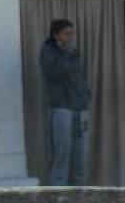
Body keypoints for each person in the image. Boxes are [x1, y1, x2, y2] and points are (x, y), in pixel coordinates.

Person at [39, 19, 91, 186]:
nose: (70, 37)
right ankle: (58, 191)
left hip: (79, 108)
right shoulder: (48, 51)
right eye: (66, 34)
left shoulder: (71, 53)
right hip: (61, 107)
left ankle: (79, 192)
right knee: (62, 154)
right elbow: (53, 74)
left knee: (80, 155)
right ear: (56, 35)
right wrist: (66, 56)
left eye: (72, 34)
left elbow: (77, 77)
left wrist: (85, 94)